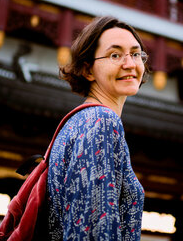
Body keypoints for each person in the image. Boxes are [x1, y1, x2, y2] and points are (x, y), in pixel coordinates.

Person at [46, 15, 149, 240]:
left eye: (135, 54)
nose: (130, 64)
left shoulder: (80, 122)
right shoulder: (99, 121)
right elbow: (94, 227)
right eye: (115, 55)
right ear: (88, 70)